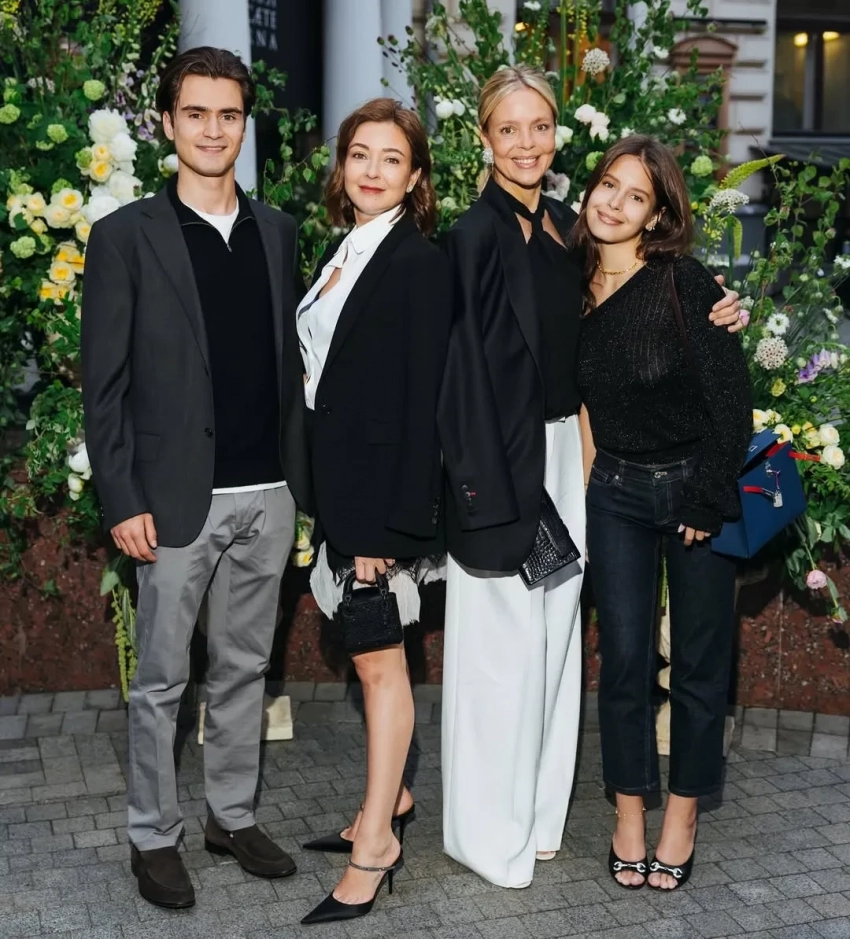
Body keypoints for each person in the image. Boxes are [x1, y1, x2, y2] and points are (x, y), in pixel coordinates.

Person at [438, 65, 744, 890]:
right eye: (509, 128)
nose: (527, 142)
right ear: (484, 136)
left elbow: (706, 372)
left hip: (614, 472)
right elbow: (463, 372)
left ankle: (586, 819)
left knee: (583, 653)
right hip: (538, 472)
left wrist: (725, 304)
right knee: (536, 660)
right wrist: (486, 488)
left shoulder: (585, 238)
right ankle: (536, 827)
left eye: (540, 126)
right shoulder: (495, 238)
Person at [81, 47, 311, 910]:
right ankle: (152, 835)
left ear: (244, 125)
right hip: (174, 499)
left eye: (229, 115)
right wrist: (122, 496)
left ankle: (231, 815)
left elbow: (292, 365)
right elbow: (103, 384)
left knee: (246, 667)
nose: (214, 130)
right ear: (168, 123)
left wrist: (304, 487)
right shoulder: (125, 237)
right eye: (197, 113)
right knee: (161, 682)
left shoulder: (279, 230)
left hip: (268, 494)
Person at [574, 136, 752, 891]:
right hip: (614, 491)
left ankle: (682, 816)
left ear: (657, 215)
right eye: (607, 185)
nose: (614, 203)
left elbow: (731, 402)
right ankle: (628, 815)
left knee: (701, 665)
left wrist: (707, 496)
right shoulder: (571, 282)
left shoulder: (684, 282)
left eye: (635, 195)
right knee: (623, 663)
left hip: (693, 488)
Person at [295, 98, 451, 925]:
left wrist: (385, 531)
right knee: (372, 663)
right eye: (360, 153)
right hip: (342, 491)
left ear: (415, 175)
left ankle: (375, 850)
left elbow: (424, 403)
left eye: (392, 158)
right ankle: (387, 804)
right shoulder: (344, 247)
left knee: (379, 666)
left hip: (376, 508)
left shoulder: (418, 262)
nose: (373, 170)